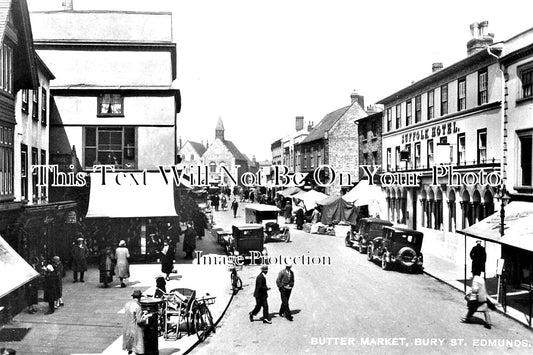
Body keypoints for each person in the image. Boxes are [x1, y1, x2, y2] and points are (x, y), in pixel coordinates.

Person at [123, 290, 148, 355]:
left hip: (127, 327)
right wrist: (145, 318)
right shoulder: (138, 307)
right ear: (139, 297)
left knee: (130, 345)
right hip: (135, 328)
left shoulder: (127, 304)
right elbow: (139, 320)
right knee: (138, 346)